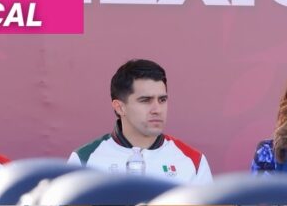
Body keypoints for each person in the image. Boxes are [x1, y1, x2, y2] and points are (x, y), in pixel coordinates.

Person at [68, 59, 212, 183]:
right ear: (119, 107)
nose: (157, 109)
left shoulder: (194, 161)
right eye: (145, 100)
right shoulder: (83, 160)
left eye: (162, 100)